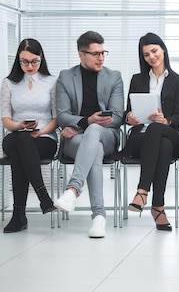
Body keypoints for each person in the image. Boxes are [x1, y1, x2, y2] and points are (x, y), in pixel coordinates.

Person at [53, 31, 124, 238]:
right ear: (80, 54)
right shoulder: (66, 77)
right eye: (95, 54)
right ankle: (99, 217)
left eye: (103, 53)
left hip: (107, 135)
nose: (101, 58)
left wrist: (85, 125)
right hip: (77, 140)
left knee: (95, 132)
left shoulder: (114, 77)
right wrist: (86, 122)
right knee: (95, 148)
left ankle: (73, 190)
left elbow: (118, 116)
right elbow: (62, 115)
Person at [121, 33, 179, 231]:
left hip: (170, 132)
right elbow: (127, 111)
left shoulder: (178, 80)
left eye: (154, 51)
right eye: (146, 54)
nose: (151, 57)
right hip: (142, 136)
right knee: (161, 145)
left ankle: (142, 191)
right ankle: (158, 206)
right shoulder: (137, 79)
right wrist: (129, 117)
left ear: (163, 50)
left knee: (159, 130)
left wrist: (166, 120)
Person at [1, 39, 58, 233]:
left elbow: (56, 119)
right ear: (18, 60)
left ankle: (18, 216)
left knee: (19, 154)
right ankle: (43, 196)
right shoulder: (9, 83)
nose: (30, 66)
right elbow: (6, 119)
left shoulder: (52, 81)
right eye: (25, 61)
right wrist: (19, 125)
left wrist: (41, 130)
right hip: (16, 134)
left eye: (34, 61)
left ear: (41, 59)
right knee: (21, 139)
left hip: (44, 137)